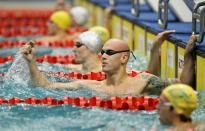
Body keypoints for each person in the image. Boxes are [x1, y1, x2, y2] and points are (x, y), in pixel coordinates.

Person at [21, 32, 196, 96]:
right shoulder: (88, 85)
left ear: (124, 58)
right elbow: (44, 85)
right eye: (102, 52)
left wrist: (188, 55)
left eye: (110, 53)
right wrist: (31, 63)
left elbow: (184, 87)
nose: (103, 56)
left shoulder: (144, 81)